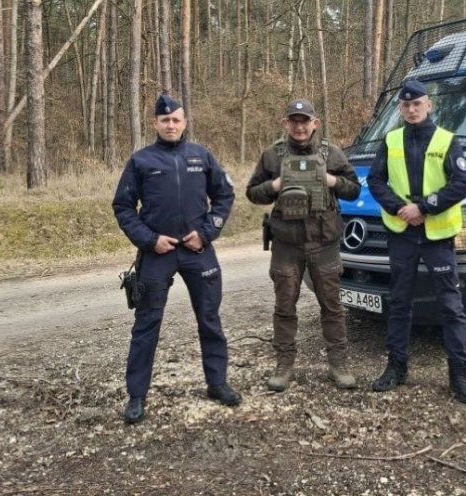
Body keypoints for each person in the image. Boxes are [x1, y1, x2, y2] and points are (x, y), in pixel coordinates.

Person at [113, 94, 241, 425]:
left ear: (184, 123)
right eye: (165, 120)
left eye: (176, 120)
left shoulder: (202, 156)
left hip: (198, 251)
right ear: (155, 123)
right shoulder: (142, 160)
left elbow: (225, 195)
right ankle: (136, 396)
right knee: (146, 325)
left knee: (210, 319)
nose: (171, 125)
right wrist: (149, 239)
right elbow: (123, 207)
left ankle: (217, 383)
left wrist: (207, 232)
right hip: (158, 254)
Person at [366, 80, 466, 404]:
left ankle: (459, 375)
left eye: (418, 104)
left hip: (437, 236)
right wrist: (400, 208)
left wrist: (424, 207)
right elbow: (375, 179)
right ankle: (396, 367)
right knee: (399, 302)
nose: (412, 110)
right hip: (402, 232)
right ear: (400, 108)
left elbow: (460, 184)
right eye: (406, 105)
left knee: (451, 306)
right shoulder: (391, 139)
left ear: (430, 105)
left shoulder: (447, 140)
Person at [246, 98, 361, 391]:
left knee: (332, 307)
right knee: (284, 307)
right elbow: (252, 193)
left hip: (324, 243)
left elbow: (353, 190)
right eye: (293, 121)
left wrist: (331, 180)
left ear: (315, 123)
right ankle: (284, 365)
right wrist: (274, 186)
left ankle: (339, 364)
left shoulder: (331, 153)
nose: (299, 126)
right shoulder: (272, 155)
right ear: (286, 123)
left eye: (304, 120)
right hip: (286, 244)